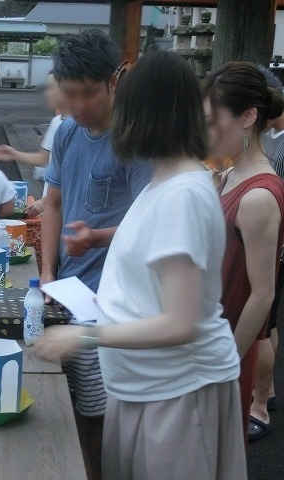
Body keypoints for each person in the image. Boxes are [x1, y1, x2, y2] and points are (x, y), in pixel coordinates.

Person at [34, 49, 246, 480]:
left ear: (144, 113)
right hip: (146, 387)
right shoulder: (165, 183)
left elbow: (180, 322)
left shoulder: (181, 193)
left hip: (176, 393)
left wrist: (85, 336)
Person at [39, 30, 152, 480]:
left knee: (105, 417)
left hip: (114, 303)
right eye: (70, 95)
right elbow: (53, 203)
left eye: (88, 94)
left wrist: (97, 237)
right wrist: (47, 272)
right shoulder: (67, 131)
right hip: (67, 292)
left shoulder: (136, 138)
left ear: (113, 82)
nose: (79, 106)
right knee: (72, 408)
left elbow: (151, 224)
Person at [202, 62, 284, 441]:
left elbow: (263, 294)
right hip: (208, 340)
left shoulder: (258, 196)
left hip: (223, 348)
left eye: (213, 119)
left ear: (248, 116)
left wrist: (226, 361)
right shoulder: (230, 174)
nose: (207, 130)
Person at [249, 67, 284, 441]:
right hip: (272, 245)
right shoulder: (274, 138)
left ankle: (259, 405)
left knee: (262, 327)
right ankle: (267, 392)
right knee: (268, 326)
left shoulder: (281, 143)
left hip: (275, 246)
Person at [0, 71, 70, 217]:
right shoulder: (57, 122)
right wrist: (13, 154)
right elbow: (44, 158)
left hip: (67, 206)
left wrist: (45, 200)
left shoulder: (80, 127)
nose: (46, 93)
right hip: (52, 203)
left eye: (51, 87)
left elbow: (73, 174)